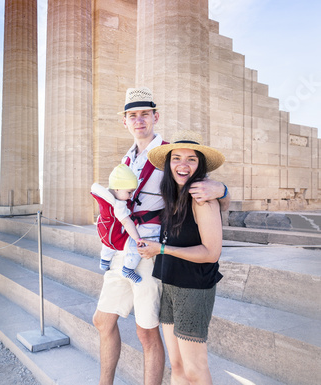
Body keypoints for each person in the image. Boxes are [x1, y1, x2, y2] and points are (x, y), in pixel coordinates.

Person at [92, 87, 230, 385]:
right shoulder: (128, 159)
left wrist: (223, 190)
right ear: (125, 122)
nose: (139, 120)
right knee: (102, 321)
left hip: (151, 250)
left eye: (144, 114)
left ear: (156, 117)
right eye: (132, 115)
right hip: (125, 247)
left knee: (148, 332)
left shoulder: (170, 154)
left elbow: (198, 186)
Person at [138, 130, 226, 384]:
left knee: (195, 369)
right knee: (176, 366)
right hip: (170, 283)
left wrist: (162, 249)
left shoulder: (202, 199)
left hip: (194, 288)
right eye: (176, 158)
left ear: (200, 167)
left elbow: (211, 253)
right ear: (169, 164)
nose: (183, 165)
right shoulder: (173, 195)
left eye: (191, 159)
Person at [91, 164, 147, 283]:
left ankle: (105, 260)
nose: (131, 196)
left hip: (105, 230)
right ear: (117, 188)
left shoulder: (106, 196)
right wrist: (137, 238)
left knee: (107, 243)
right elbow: (126, 222)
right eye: (129, 192)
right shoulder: (119, 205)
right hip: (115, 233)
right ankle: (128, 269)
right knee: (134, 246)